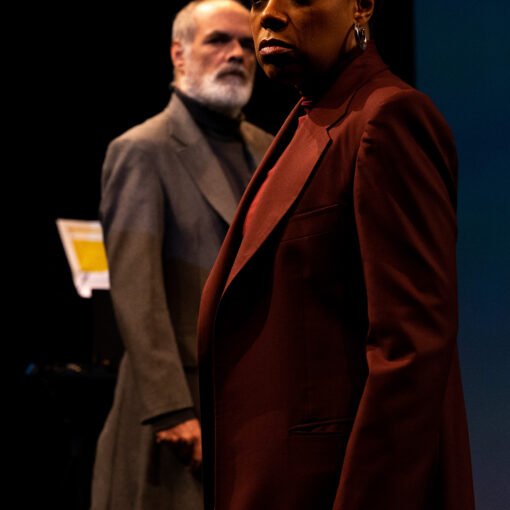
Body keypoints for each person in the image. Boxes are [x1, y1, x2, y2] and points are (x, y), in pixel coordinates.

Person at [197, 1, 475, 509]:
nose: (270, 15)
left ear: (363, 6)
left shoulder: (387, 118)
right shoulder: (309, 117)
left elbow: (410, 351)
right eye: (257, 1)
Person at [90, 1, 273, 509]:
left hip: (254, 408)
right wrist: (170, 409)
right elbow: (136, 291)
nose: (236, 53)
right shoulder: (142, 150)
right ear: (179, 54)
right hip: (177, 410)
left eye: (245, 43)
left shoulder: (271, 149)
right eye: (218, 40)